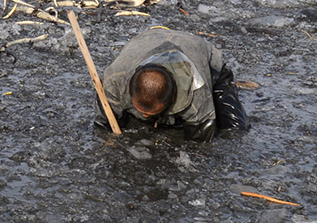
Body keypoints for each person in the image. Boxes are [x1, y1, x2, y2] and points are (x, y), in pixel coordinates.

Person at [99, 28, 249, 141]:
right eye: (141, 110)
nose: (144, 114)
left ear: (171, 99)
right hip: (149, 40)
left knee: (235, 130)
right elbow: (102, 125)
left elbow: (200, 143)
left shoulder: (196, 91)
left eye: (149, 113)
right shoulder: (114, 80)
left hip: (201, 56)